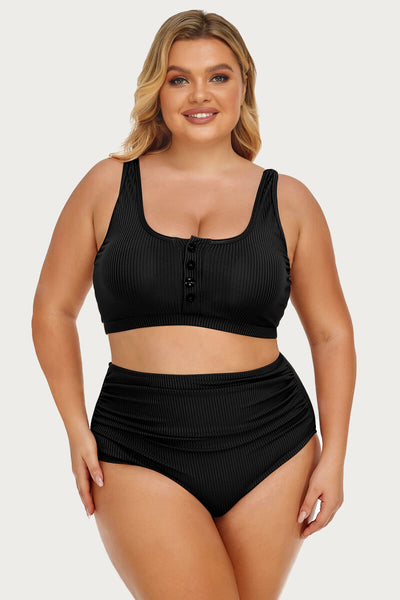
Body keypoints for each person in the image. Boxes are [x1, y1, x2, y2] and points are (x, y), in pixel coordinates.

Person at [31, 9, 356, 600]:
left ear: (243, 86)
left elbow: (332, 334)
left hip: (272, 443)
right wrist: (75, 429)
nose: (199, 95)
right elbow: (52, 311)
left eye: (218, 77)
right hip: (136, 442)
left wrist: (335, 454)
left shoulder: (290, 201)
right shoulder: (107, 185)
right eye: (179, 78)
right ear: (157, 90)